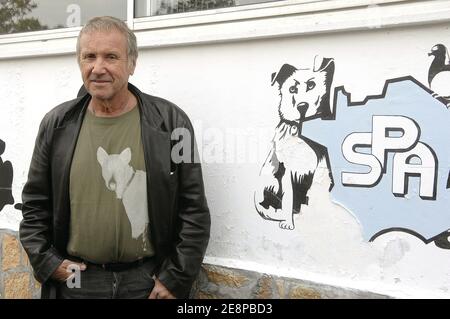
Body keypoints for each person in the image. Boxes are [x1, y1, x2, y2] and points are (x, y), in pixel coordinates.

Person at [19, 16, 210, 299]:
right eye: (89, 57)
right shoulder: (56, 125)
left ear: (132, 63)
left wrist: (175, 278)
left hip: (146, 282)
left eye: (111, 56)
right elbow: (35, 205)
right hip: (77, 284)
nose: (98, 68)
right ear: (79, 62)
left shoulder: (171, 122)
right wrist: (50, 264)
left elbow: (193, 210)